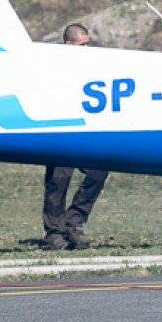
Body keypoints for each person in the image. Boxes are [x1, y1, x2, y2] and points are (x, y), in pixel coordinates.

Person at [42, 23, 110, 251]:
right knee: (58, 182)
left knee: (99, 171)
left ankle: (74, 222)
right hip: (59, 132)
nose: (86, 49)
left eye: (88, 44)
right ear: (68, 45)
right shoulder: (52, 68)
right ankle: (54, 234)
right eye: (82, 45)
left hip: (86, 133)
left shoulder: (92, 66)